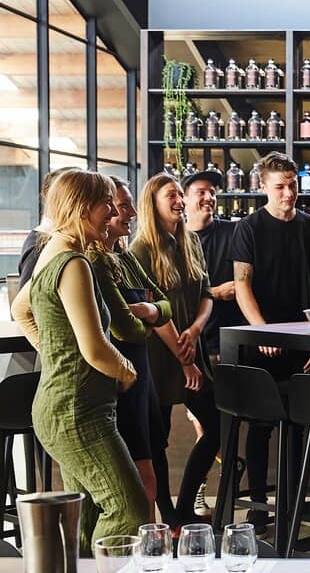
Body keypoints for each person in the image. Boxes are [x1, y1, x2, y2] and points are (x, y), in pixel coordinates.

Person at [11, 170, 148, 551]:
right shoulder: (73, 262)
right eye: (106, 204)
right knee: (129, 510)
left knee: (87, 515)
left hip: (63, 407)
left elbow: (21, 309)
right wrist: (125, 370)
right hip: (77, 411)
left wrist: (56, 353)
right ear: (82, 207)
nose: (113, 213)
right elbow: (96, 348)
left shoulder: (53, 249)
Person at [231, 151, 310, 534]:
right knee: (260, 425)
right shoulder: (249, 227)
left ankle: (292, 501)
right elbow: (242, 285)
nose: (288, 193)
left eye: (293, 186)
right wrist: (264, 331)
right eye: (280, 187)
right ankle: (258, 507)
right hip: (262, 339)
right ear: (263, 187)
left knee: (300, 423)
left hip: (305, 337)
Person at [130, 173, 220, 527]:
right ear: (152, 203)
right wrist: (185, 360)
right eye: (172, 195)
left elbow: (207, 294)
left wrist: (195, 331)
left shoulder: (190, 241)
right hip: (159, 355)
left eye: (181, 194)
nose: (180, 201)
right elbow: (152, 314)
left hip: (191, 348)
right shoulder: (140, 250)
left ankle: (182, 510)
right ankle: (169, 519)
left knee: (216, 427)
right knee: (158, 439)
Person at [86, 177, 175, 523]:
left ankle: (150, 543)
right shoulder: (95, 263)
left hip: (142, 378)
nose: (132, 213)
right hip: (121, 380)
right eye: (122, 206)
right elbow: (126, 330)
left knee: (150, 472)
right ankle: (142, 545)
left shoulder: (123, 257)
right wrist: (150, 319)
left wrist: (150, 310)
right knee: (140, 481)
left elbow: (164, 303)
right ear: (102, 210)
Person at [183, 168, 246, 518]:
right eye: (201, 192)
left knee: (227, 423)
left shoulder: (233, 232)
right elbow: (174, 294)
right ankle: (206, 490)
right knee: (205, 424)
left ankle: (226, 493)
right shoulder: (177, 240)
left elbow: (245, 281)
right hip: (196, 348)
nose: (209, 198)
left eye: (213, 192)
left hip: (230, 343)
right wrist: (216, 292)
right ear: (185, 198)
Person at [18, 167, 71, 281]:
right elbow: (30, 291)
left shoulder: (64, 238)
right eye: (69, 192)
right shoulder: (39, 244)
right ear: (48, 193)